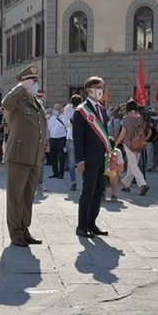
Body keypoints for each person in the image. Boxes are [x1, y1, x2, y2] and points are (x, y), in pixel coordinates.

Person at [1, 65, 48, 247]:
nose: (35, 84)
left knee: (28, 197)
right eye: (32, 81)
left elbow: (40, 125)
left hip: (35, 156)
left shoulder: (38, 103)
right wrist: (20, 87)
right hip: (18, 155)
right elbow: (5, 104)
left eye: (35, 81)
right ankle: (15, 233)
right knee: (16, 197)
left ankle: (25, 229)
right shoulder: (16, 101)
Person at [73, 76, 111, 238]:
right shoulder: (81, 110)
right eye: (97, 87)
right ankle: (82, 226)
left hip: (102, 157)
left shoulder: (102, 109)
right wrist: (80, 160)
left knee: (99, 191)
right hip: (88, 158)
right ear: (89, 90)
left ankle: (92, 223)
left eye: (102, 87)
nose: (101, 90)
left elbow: (104, 133)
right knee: (88, 191)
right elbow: (77, 138)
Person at [115, 99, 149, 196]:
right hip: (139, 143)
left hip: (129, 144)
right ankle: (126, 184)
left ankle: (143, 184)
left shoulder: (126, 118)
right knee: (132, 166)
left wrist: (116, 142)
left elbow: (123, 133)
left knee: (133, 166)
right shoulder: (141, 118)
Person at [62, 95, 81, 191]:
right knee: (71, 162)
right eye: (74, 107)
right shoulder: (67, 109)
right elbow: (65, 123)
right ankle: (73, 182)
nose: (75, 108)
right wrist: (72, 119)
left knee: (83, 160)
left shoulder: (83, 108)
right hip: (71, 137)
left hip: (82, 138)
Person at [47, 103, 68, 179]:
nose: (55, 110)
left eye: (57, 109)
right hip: (52, 139)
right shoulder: (51, 118)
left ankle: (61, 173)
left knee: (61, 157)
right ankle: (55, 172)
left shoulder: (64, 118)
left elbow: (67, 128)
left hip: (61, 139)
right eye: (54, 108)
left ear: (60, 110)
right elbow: (49, 128)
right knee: (53, 157)